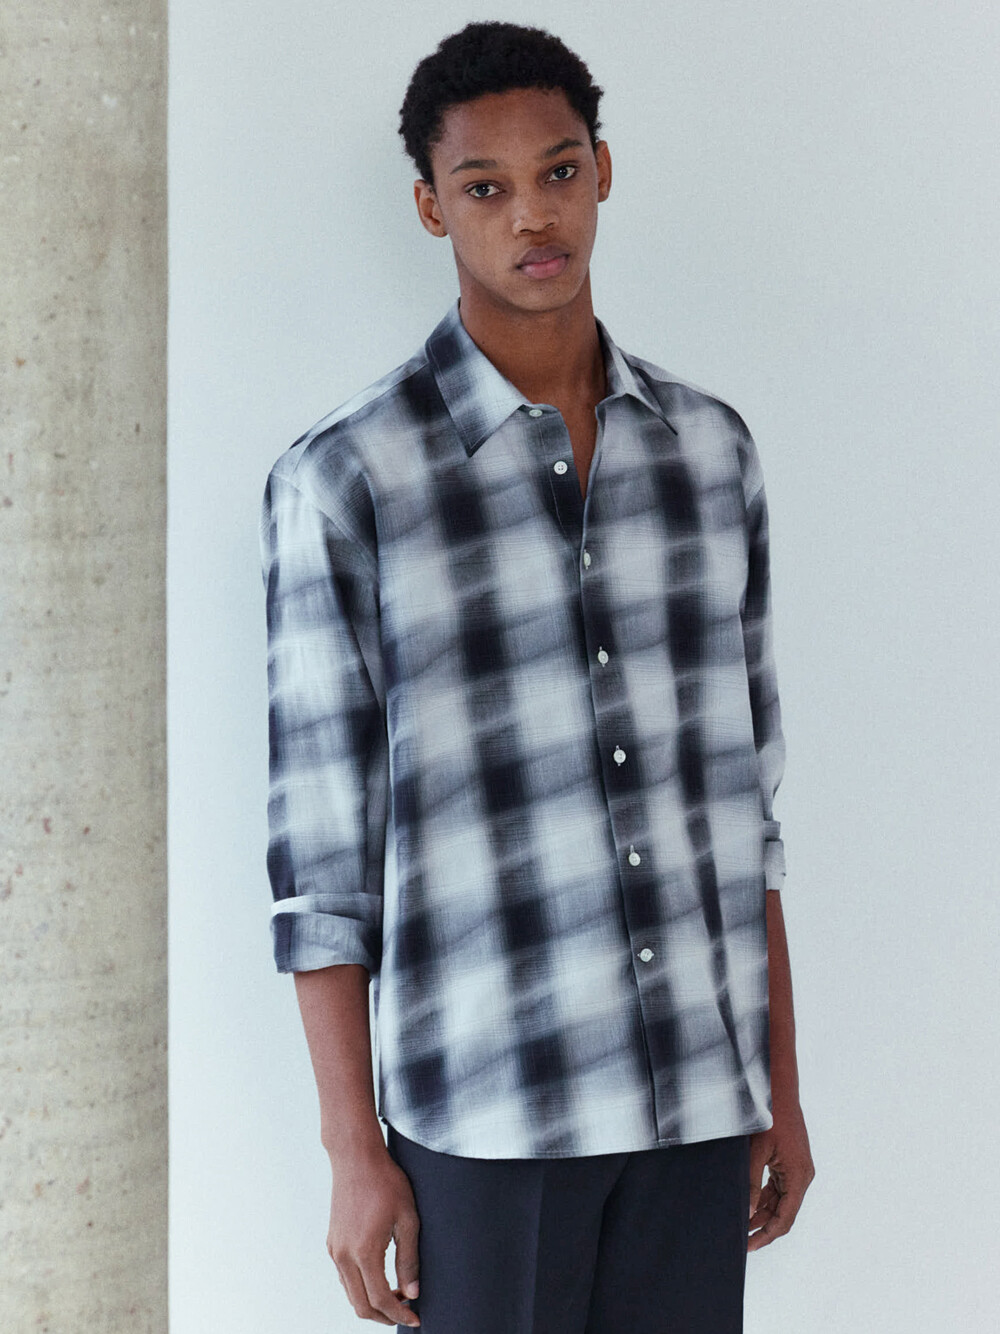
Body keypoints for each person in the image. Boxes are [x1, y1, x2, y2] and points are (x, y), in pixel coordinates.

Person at [258, 19, 814, 1334]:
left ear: (602, 171)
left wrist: (779, 1087)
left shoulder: (710, 455)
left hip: (697, 1104)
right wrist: (352, 1150)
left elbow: (746, 811)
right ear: (430, 206)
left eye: (558, 172)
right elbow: (321, 866)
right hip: (486, 1122)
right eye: (484, 187)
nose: (531, 217)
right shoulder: (346, 482)